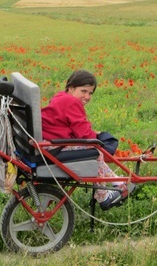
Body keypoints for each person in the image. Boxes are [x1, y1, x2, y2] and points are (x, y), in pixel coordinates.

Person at [41, 70, 127, 210]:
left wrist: (94, 134)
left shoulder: (60, 97)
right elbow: (85, 134)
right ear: (71, 88)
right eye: (84, 91)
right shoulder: (71, 102)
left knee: (94, 147)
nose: (87, 96)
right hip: (54, 147)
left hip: (48, 143)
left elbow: (73, 126)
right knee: (94, 150)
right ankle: (103, 197)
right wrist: (97, 136)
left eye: (90, 93)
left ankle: (117, 181)